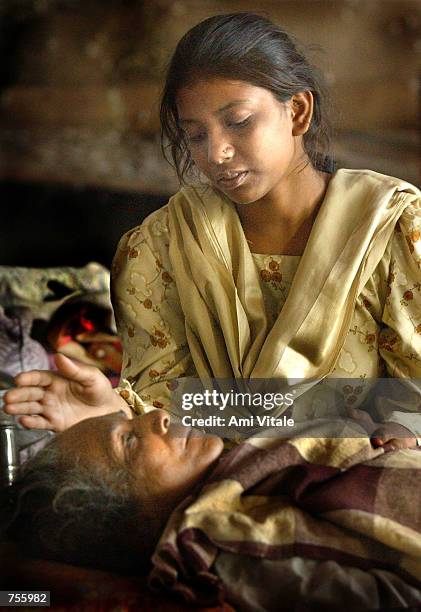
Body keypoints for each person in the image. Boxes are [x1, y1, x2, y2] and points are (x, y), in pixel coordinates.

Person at [3, 13, 421, 448]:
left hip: (353, 483)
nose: (217, 152)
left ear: (298, 110)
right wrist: (112, 410)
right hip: (214, 484)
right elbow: (163, 412)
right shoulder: (162, 248)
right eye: (196, 135)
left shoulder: (392, 229)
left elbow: (413, 404)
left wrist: (403, 432)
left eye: (238, 122)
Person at [5, 409, 421, 610]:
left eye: (132, 417)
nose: (158, 414)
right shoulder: (223, 546)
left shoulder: (242, 467)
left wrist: (389, 439)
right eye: (129, 441)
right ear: (121, 519)